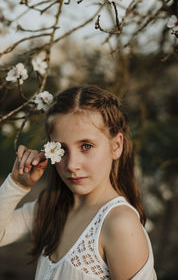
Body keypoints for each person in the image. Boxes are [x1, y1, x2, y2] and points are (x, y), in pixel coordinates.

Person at [0, 85, 157, 280]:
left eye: (86, 146)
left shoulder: (119, 224)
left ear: (116, 146)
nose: (72, 165)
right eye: (62, 149)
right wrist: (17, 185)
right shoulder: (49, 209)